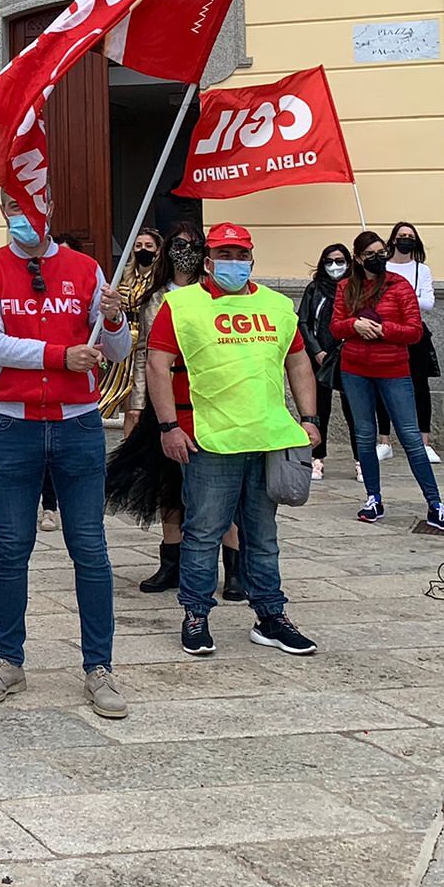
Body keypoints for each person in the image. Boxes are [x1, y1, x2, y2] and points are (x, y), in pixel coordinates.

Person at [0, 198, 130, 721]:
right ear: (2, 208)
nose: (24, 214)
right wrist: (59, 356)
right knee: (11, 546)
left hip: (77, 423)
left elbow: (118, 349)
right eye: (14, 205)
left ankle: (98, 667)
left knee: (90, 547)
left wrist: (113, 318)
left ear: (52, 208)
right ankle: (8, 659)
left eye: (33, 204)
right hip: (14, 423)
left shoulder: (85, 269)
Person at [145, 223, 321, 659]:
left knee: (262, 535)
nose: (234, 263)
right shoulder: (181, 305)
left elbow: (297, 362)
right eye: (225, 254)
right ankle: (196, 616)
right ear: (208, 261)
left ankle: (271, 617)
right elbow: (157, 365)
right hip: (209, 439)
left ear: (252, 259)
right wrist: (168, 427)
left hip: (268, 437)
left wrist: (310, 418)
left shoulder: (277, 306)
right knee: (203, 532)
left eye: (241, 255)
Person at [106, 224, 241, 598]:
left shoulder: (218, 295)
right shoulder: (156, 297)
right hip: (164, 404)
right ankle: (172, 563)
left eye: (194, 245)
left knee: (221, 487)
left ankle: (234, 569)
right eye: (179, 244)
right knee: (168, 486)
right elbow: (146, 355)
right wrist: (136, 404)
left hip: (210, 402)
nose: (187, 251)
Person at [333, 229, 444, 531]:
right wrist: (355, 325)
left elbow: (414, 330)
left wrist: (382, 329)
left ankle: (435, 503)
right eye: (370, 255)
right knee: (364, 435)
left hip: (393, 369)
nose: (378, 259)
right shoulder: (346, 287)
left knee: (411, 437)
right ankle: (373, 498)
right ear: (358, 259)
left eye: (381, 253)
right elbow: (336, 326)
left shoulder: (399, 285)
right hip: (355, 369)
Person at [384, 221, 441, 462]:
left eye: (410, 236)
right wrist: (410, 297)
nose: (405, 239)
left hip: (414, 333)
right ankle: (384, 440)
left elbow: (428, 302)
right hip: (386, 333)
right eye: (401, 235)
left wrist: (400, 298)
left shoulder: (422, 270)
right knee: (383, 386)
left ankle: (424, 441)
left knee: (420, 386)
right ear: (393, 239)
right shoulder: (383, 267)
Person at [296, 243, 349, 482]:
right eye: (329, 261)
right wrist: (316, 351)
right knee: (319, 409)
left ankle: (361, 460)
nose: (334, 266)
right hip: (319, 358)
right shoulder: (314, 289)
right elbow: (304, 322)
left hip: (348, 357)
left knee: (355, 411)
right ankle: (317, 458)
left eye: (340, 261)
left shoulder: (354, 288)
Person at [99, 226, 163, 420]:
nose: (143, 249)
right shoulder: (124, 276)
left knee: (144, 401)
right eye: (139, 245)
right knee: (128, 403)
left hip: (149, 342)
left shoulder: (160, 279)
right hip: (127, 341)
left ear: (158, 250)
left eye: (148, 245)